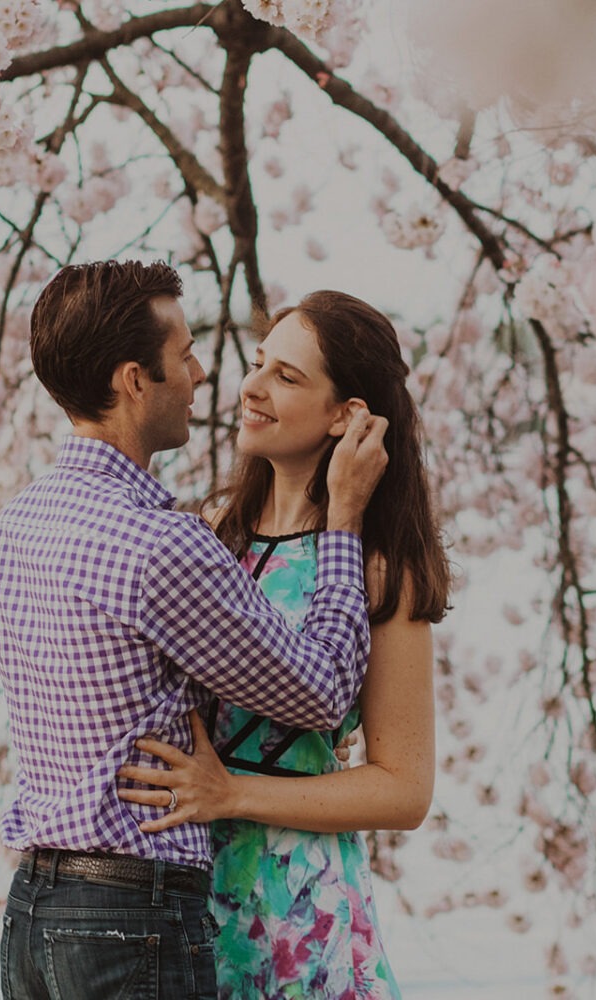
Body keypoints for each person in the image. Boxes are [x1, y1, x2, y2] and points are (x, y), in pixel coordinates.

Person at [0, 262, 391, 1000]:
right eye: (185, 356)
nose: (203, 375)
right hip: (128, 911)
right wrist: (346, 521)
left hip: (35, 912)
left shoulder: (19, 523)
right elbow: (324, 692)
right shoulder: (165, 544)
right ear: (136, 380)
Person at [117, 290, 450, 998]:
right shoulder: (205, 538)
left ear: (347, 415)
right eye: (259, 363)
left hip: (306, 916)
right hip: (188, 899)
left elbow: (404, 790)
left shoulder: (380, 568)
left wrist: (232, 792)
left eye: (287, 377)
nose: (252, 387)